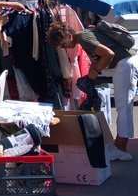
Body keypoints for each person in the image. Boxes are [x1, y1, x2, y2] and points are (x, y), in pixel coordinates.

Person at [47, 20, 138, 161]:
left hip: (125, 64)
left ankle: (121, 148)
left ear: (68, 36)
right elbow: (102, 55)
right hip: (124, 64)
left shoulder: (84, 38)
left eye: (64, 44)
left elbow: (109, 54)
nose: (66, 48)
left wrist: (95, 71)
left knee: (123, 107)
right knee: (123, 106)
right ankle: (119, 145)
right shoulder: (85, 36)